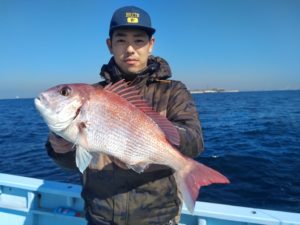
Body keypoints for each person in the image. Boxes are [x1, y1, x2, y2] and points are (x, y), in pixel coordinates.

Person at [46, 6, 204, 225]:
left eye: (139, 40)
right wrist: (60, 149)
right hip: (100, 215)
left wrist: (154, 134)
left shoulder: (173, 91)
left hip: (158, 217)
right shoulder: (94, 94)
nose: (130, 49)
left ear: (151, 45)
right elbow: (73, 163)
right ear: (110, 45)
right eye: (121, 40)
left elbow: (195, 141)